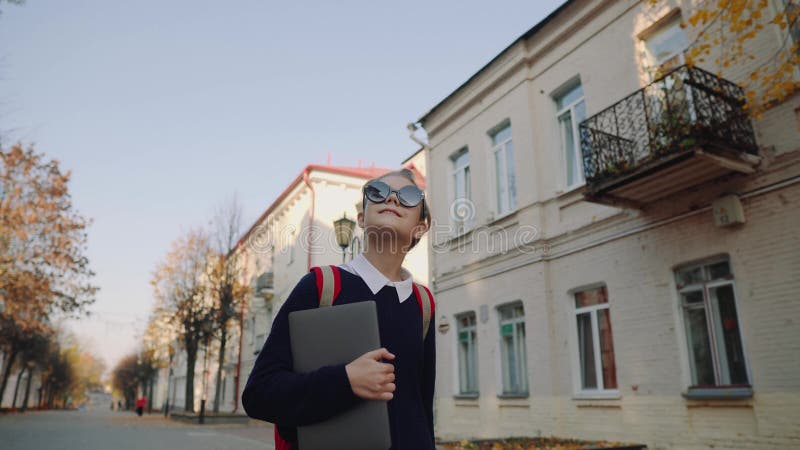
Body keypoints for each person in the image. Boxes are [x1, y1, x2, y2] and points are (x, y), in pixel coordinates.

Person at [242, 169, 435, 450]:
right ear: (361, 218)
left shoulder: (423, 303)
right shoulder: (321, 285)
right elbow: (259, 394)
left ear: (421, 226)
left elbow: (422, 410)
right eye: (378, 192)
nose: (392, 199)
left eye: (407, 196)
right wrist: (344, 381)